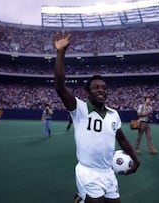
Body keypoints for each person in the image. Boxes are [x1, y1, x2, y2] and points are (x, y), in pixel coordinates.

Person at [54, 30, 140, 203]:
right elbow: (60, 86)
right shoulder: (79, 108)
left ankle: (80, 199)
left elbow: (122, 140)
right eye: (96, 87)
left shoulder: (113, 114)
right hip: (87, 171)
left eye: (104, 87)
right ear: (87, 92)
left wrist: (136, 160)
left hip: (108, 172)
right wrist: (61, 52)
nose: (101, 90)